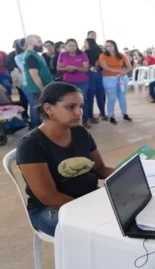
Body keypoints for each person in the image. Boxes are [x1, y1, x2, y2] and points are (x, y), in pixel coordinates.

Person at [15, 82, 115, 237]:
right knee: (106, 229)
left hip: (88, 197)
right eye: (70, 107)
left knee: (130, 212)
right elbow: (49, 196)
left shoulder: (80, 133)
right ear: (49, 109)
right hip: (50, 208)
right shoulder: (31, 145)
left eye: (81, 106)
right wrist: (92, 208)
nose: (79, 113)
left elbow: (100, 168)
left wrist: (125, 175)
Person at [57, 39, 90, 128]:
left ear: (77, 46)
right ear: (66, 46)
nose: (72, 47)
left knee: (82, 100)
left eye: (74, 45)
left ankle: (85, 120)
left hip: (82, 81)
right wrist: (66, 69)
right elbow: (58, 68)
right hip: (68, 81)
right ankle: (72, 120)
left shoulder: (82, 55)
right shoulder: (62, 55)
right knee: (69, 101)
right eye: (70, 45)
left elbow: (86, 69)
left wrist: (75, 68)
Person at [99, 40, 133, 124]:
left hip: (122, 79)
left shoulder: (121, 55)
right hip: (109, 79)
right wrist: (119, 70)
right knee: (112, 97)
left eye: (111, 45)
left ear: (115, 46)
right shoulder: (103, 55)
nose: (109, 48)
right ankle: (111, 115)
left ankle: (124, 114)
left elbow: (129, 67)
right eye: (107, 46)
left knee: (122, 96)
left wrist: (124, 72)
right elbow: (105, 67)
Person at [22, 34, 55, 122]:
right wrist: (43, 89)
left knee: (41, 112)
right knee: (39, 114)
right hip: (38, 90)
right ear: (30, 43)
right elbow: (34, 75)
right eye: (39, 42)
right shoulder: (31, 56)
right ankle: (37, 132)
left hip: (43, 88)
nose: (42, 44)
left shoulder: (35, 55)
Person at [15, 38, 39, 128]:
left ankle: (40, 125)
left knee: (39, 104)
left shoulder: (36, 55)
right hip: (28, 83)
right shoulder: (19, 57)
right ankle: (34, 126)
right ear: (22, 46)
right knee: (33, 104)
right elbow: (26, 68)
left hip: (37, 82)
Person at [84, 38, 106, 121]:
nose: (84, 45)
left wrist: (98, 64)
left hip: (98, 75)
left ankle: (102, 113)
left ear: (90, 44)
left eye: (86, 43)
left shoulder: (100, 53)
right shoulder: (84, 53)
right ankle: (90, 115)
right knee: (91, 96)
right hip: (91, 76)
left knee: (100, 95)